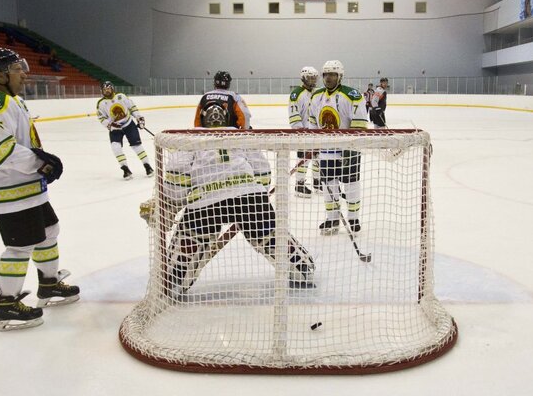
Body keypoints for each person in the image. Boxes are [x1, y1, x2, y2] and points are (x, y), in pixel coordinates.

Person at [140, 102, 316, 298]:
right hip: (249, 197)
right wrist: (255, 193)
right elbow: (263, 172)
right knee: (269, 235)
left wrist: (169, 206)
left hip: (205, 203)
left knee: (190, 240)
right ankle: (302, 270)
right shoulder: (241, 136)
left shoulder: (189, 139)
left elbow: (177, 181)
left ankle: (172, 282)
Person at [0, 48, 79, 332]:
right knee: (20, 245)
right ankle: (6, 305)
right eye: (16, 68)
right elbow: (1, 152)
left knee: (49, 230)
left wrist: (40, 165)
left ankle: (49, 284)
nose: (24, 73)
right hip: (10, 189)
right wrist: (41, 164)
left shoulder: (13, 100)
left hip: (27, 186)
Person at [308, 60, 369, 235]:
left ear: (340, 76)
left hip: (348, 150)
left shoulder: (352, 95)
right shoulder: (316, 96)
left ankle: (353, 218)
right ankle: (332, 218)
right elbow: (313, 122)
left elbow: (360, 123)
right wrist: (313, 144)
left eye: (333, 74)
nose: (328, 78)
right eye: (326, 74)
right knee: (329, 185)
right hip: (326, 150)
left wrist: (350, 148)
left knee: (351, 184)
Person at [96, 81, 153, 179]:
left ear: (112, 88)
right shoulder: (101, 104)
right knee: (115, 147)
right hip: (115, 128)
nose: (107, 91)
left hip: (128, 124)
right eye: (104, 90)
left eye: (108, 89)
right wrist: (110, 125)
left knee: (137, 146)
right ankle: (125, 169)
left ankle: (147, 166)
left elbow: (132, 107)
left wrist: (139, 118)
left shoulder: (121, 96)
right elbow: (102, 118)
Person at [288, 66, 320, 197]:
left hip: (316, 132)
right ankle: (299, 185)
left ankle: (318, 183)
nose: (312, 80)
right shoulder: (296, 93)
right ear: (303, 78)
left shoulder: (316, 93)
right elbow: (294, 114)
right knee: (304, 158)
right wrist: (299, 131)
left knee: (318, 157)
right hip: (303, 133)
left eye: (314, 78)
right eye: (309, 78)